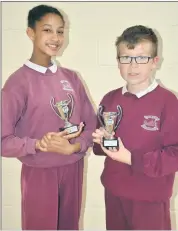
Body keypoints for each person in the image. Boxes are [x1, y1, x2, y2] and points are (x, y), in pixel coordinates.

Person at [1, 4, 96, 230]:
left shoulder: (72, 78)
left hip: (73, 167)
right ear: (30, 33)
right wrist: (38, 144)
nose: (55, 37)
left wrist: (74, 147)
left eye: (60, 31)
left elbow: (93, 127)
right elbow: (3, 141)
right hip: (39, 174)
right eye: (47, 30)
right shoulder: (18, 82)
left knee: (69, 226)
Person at [92, 25, 178, 230]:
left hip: (149, 197)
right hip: (114, 192)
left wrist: (130, 158)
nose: (133, 66)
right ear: (118, 62)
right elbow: (98, 148)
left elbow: (175, 154)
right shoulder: (110, 98)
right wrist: (100, 140)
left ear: (155, 62)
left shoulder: (168, 101)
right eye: (126, 58)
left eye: (141, 58)